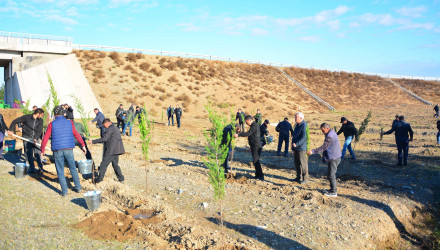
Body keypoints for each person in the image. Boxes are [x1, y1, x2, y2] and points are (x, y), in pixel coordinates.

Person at [40, 106, 86, 196]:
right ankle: (78, 187)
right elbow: (76, 134)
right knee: (72, 168)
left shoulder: (51, 124)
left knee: (60, 170)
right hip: (69, 149)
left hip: (57, 150)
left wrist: (42, 150)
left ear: (55, 114)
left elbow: (45, 138)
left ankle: (64, 192)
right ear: (63, 113)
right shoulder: (70, 122)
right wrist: (83, 145)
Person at [307, 123, 342, 197]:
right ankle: (332, 189)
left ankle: (334, 192)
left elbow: (324, 147)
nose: (322, 132)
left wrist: (313, 151)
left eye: (323, 130)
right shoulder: (332, 132)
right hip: (335, 156)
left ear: (327, 129)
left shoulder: (329, 136)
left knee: (331, 175)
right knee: (330, 174)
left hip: (334, 157)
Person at [8, 108, 45, 174]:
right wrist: (11, 130)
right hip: (27, 137)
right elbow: (15, 121)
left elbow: (39, 130)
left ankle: (40, 168)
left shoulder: (40, 121)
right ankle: (32, 169)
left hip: (35, 139)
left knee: (37, 153)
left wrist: (36, 138)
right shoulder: (26, 117)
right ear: (38, 113)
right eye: (41, 115)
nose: (41, 116)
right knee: (29, 154)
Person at [89, 118, 125, 183]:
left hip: (111, 150)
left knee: (103, 165)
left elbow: (104, 139)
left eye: (104, 125)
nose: (104, 127)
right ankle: (121, 178)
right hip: (117, 150)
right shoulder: (115, 128)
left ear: (107, 123)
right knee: (115, 165)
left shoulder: (110, 129)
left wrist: (93, 141)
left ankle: (99, 180)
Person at [233, 115, 264, 180]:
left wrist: (238, 135)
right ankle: (258, 174)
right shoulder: (253, 126)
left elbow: (248, 134)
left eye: (246, 122)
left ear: (250, 120)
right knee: (255, 161)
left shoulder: (254, 126)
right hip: (254, 146)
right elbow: (251, 136)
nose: (246, 123)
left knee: (256, 161)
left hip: (256, 146)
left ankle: (260, 176)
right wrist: (251, 146)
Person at [291, 113, 309, 184]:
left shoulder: (304, 125)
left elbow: (304, 137)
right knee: (297, 163)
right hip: (296, 148)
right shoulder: (297, 125)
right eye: (295, 117)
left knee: (303, 163)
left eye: (296, 118)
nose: (295, 119)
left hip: (301, 148)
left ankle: (305, 179)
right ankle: (298, 177)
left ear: (301, 118)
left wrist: (297, 144)